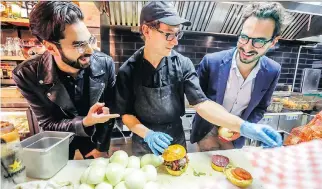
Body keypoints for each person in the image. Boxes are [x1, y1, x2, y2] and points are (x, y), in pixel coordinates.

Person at [115, 1, 282, 156]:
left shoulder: (182, 64)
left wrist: (244, 127)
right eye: (168, 34)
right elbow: (126, 115)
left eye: (177, 34)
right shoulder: (128, 70)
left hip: (176, 137)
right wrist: (148, 134)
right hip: (143, 140)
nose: (175, 42)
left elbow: (202, 103)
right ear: (146, 30)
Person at [13, 2, 119, 160]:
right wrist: (84, 122)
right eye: (79, 45)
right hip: (57, 142)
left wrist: (101, 147)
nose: (90, 51)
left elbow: (110, 111)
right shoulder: (27, 74)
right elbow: (48, 124)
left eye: (90, 40)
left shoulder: (104, 63)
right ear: (51, 47)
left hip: (93, 139)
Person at [191, 2, 288, 151]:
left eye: (259, 41)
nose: (247, 47)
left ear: (273, 42)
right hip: (206, 130)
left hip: (236, 135)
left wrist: (244, 127)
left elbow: (260, 107)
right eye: (244, 37)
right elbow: (198, 101)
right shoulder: (211, 62)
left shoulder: (273, 71)